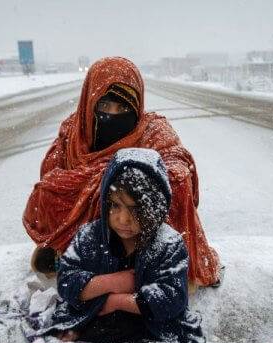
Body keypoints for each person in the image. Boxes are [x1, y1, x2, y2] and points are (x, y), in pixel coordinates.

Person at [23, 56, 221, 288]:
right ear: (90, 105)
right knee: (51, 190)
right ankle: (75, 250)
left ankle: (150, 261)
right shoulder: (74, 133)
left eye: (124, 107)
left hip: (142, 238)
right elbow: (49, 182)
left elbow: (176, 165)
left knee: (165, 186)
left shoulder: (152, 130)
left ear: (137, 108)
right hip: (87, 243)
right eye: (105, 106)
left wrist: (125, 181)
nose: (113, 115)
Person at [44, 148, 206, 343]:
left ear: (156, 207)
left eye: (136, 210)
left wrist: (119, 301)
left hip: (149, 326)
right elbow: (67, 282)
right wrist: (114, 282)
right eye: (115, 206)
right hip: (96, 318)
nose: (123, 219)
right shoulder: (90, 237)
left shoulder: (169, 244)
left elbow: (173, 298)